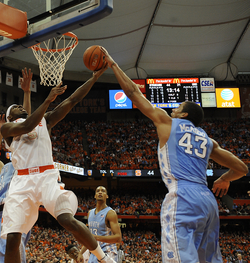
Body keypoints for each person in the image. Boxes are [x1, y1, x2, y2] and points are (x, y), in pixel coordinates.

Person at [100, 47, 249, 263]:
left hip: (183, 196)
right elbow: (242, 169)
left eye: (178, 107)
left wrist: (113, 64)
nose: (174, 109)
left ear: (184, 114)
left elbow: (133, 93)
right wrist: (224, 178)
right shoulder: (209, 141)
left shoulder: (167, 122)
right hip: (208, 201)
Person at [0, 64, 116, 263]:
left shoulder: (45, 120)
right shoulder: (8, 129)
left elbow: (73, 99)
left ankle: (104, 259)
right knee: (12, 238)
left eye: (22, 106)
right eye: (17, 107)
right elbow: (26, 124)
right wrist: (46, 99)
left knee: (65, 219)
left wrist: (94, 77)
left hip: (46, 177)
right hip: (21, 182)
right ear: (10, 116)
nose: (21, 107)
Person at [0, 68, 33, 263]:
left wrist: (27, 93)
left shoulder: (26, 160)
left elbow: (28, 123)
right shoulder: (6, 167)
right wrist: (0, 131)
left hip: (14, 216)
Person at [80, 186, 122, 263]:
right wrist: (81, 253)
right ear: (95, 195)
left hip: (108, 252)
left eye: (103, 191)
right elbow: (90, 238)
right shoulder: (90, 213)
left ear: (107, 196)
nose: (100, 192)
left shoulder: (111, 213)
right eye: (98, 191)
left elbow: (118, 238)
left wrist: (96, 237)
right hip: (94, 251)